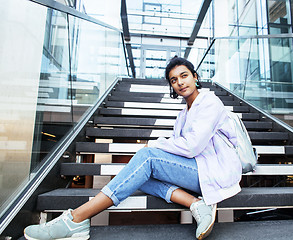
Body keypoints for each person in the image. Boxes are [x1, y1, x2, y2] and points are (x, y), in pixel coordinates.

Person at [24, 56, 242, 240]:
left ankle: (76, 219)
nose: (180, 83)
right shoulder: (184, 114)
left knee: (146, 157)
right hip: (198, 168)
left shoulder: (209, 102)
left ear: (195, 76)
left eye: (184, 76)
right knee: (141, 175)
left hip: (216, 170)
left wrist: (155, 144)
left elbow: (191, 147)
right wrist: (160, 148)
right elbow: (179, 148)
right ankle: (196, 204)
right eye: (174, 80)